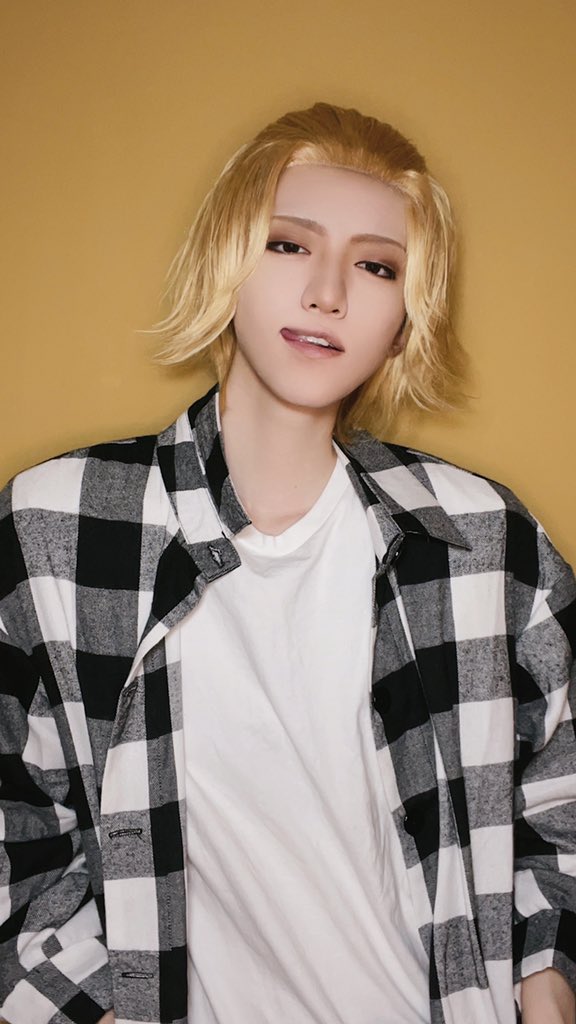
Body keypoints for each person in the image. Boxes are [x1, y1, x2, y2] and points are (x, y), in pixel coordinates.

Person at [0, 102, 574, 1024]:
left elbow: (562, 797)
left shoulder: (482, 537)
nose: (328, 293)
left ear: (406, 314)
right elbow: (16, 826)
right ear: (226, 260)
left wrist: (549, 977)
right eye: (288, 245)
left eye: (378, 265)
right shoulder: (59, 526)